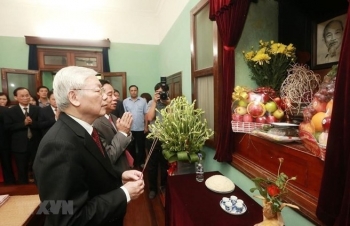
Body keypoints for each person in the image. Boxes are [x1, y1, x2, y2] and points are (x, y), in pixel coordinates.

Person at [33, 66, 144, 226]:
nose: (105, 98)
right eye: (99, 91)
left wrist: (119, 177)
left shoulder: (84, 129)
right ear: (74, 97)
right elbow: (65, 217)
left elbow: (86, 176)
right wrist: (124, 193)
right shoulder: (58, 145)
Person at [93, 80, 133, 172]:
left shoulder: (114, 117)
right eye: (110, 95)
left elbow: (125, 142)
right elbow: (109, 157)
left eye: (115, 95)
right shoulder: (95, 123)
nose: (115, 98)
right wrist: (122, 132)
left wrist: (127, 131)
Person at [4, 87, 41, 184]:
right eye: (22, 96)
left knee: (38, 169)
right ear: (16, 97)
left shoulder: (37, 109)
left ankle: (38, 190)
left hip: (36, 144)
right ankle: (23, 191)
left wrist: (33, 123)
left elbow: (41, 125)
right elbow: (7, 127)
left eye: (27, 95)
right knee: (22, 171)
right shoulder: (10, 111)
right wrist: (23, 124)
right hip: (19, 146)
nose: (25, 98)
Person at [146, 83, 171, 199]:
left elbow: (173, 119)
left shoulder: (170, 103)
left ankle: (164, 186)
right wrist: (155, 102)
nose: (161, 95)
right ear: (155, 92)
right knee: (152, 165)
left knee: (165, 164)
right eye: (158, 93)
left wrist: (168, 104)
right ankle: (152, 189)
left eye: (163, 93)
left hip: (166, 137)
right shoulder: (151, 103)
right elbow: (150, 118)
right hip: (153, 137)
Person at [123, 85, 148, 168]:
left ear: (137, 91)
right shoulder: (125, 101)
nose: (133, 92)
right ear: (129, 91)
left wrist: (146, 126)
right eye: (131, 90)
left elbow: (146, 114)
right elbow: (125, 115)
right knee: (131, 147)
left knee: (141, 147)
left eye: (135, 90)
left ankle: (141, 162)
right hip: (130, 128)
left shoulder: (143, 101)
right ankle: (132, 163)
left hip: (140, 128)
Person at [0, 92, 15, 184]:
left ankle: (10, 182)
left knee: (7, 163)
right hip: (5, 141)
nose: (2, 101)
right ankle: (10, 182)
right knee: (6, 164)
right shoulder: (8, 111)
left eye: (4, 99)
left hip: (6, 141)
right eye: (0, 99)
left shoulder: (9, 110)